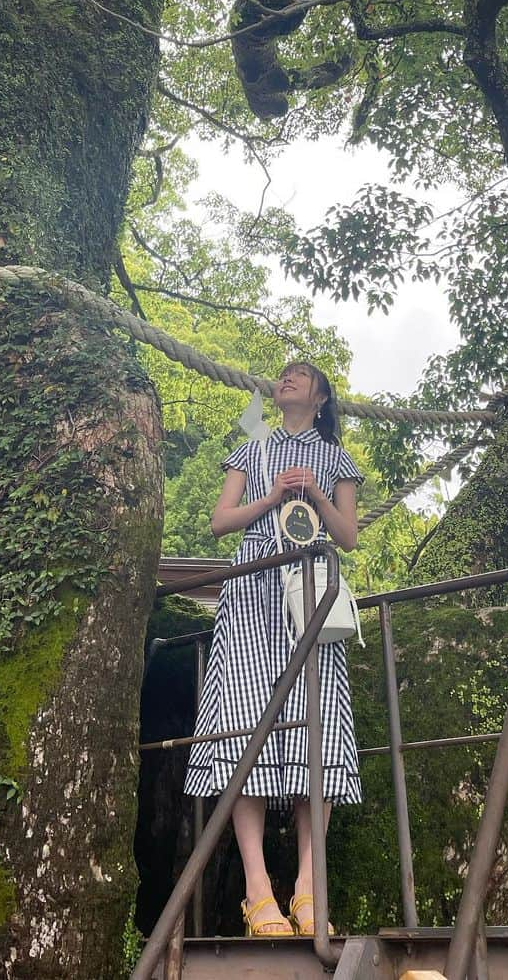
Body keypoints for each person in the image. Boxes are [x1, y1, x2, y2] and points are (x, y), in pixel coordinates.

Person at [182, 362, 364, 939]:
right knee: (244, 721)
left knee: (321, 723)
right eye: (282, 375)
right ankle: (259, 894)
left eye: (301, 375)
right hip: (252, 587)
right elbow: (219, 522)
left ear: (321, 395)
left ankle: (311, 890)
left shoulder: (337, 458)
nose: (286, 380)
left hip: (311, 592)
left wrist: (311, 490)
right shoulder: (250, 448)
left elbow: (349, 535)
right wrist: (270, 498)